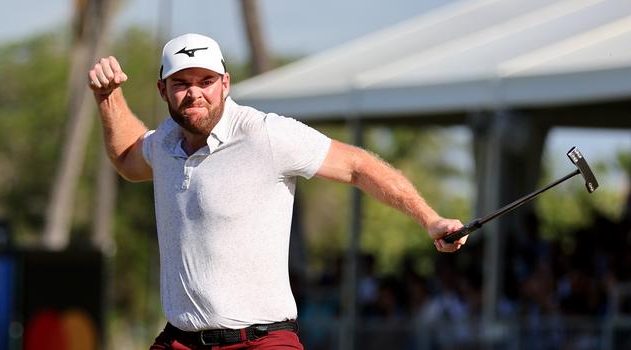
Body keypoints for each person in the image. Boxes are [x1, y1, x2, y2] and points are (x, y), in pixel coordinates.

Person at [88, 33, 468, 349]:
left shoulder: (266, 134)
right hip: (182, 341)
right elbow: (127, 159)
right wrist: (108, 97)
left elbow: (358, 165)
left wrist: (430, 218)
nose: (194, 94)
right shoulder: (166, 141)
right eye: (181, 84)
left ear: (225, 83)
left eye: (205, 82)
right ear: (163, 90)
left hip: (261, 341)